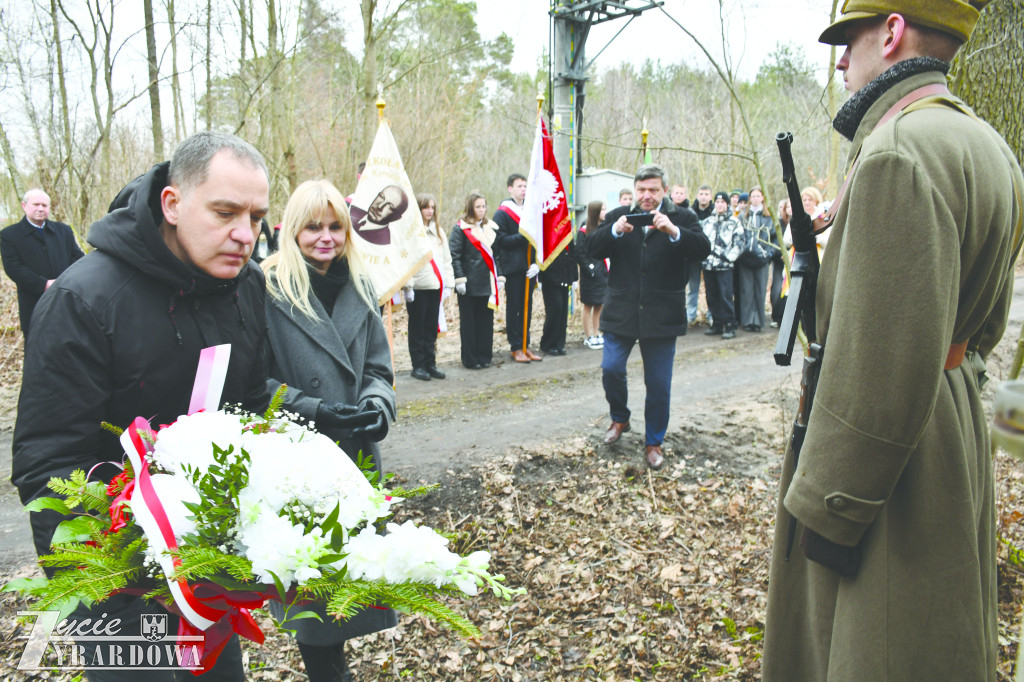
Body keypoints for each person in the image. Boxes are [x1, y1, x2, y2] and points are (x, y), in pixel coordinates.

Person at [763, 2, 1024, 680]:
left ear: (892, 30)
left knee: (879, 648)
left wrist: (827, 505)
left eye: (849, 40)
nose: (842, 60)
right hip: (949, 425)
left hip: (888, 466)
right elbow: (980, 325)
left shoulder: (898, 153)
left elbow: (878, 367)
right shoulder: (984, 143)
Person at [11, 131, 272, 681]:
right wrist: (125, 582)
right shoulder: (84, 299)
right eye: (226, 213)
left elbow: (249, 411)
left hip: (209, 570)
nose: (244, 235)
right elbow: (49, 467)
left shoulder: (246, 287)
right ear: (172, 204)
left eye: (256, 217)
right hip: (117, 579)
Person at [262, 179, 397, 681]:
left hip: (355, 459)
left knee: (348, 591)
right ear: (292, 229)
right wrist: (313, 409)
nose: (325, 236)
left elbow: (380, 370)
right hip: (298, 460)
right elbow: (254, 382)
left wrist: (375, 407)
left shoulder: (361, 285)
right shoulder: (267, 286)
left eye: (335, 225)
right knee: (315, 602)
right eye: (313, 226)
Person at [587, 164, 710, 469]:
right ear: (634, 189)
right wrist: (615, 231)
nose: (646, 196)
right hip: (621, 311)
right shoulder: (618, 216)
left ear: (664, 191)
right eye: (641, 190)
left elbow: (703, 249)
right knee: (611, 368)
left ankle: (653, 441)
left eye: (653, 190)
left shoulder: (683, 217)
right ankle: (620, 418)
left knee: (658, 384)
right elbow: (590, 246)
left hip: (661, 314)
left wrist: (673, 232)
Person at [0, 188, 85, 338]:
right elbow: (13, 267)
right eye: (36, 204)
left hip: (65, 298)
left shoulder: (63, 231)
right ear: (24, 206)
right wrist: (43, 284)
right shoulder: (9, 235)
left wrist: (67, 282)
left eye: (44, 205)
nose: (40, 209)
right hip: (32, 302)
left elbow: (77, 258)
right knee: (36, 346)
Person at [449, 192, 503, 369]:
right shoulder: (461, 229)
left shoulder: (491, 228)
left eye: (484, 206)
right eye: (478, 206)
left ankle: (484, 355)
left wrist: (500, 276)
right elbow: (455, 255)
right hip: (469, 283)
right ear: (470, 208)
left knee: (485, 322)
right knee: (469, 323)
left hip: (487, 283)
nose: (482, 210)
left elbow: (497, 255)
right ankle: (470, 359)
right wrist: (460, 279)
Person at [492, 173, 542, 363]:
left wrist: (537, 262)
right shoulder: (502, 213)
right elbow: (500, 241)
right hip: (512, 268)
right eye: (519, 186)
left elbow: (538, 239)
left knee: (527, 308)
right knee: (515, 309)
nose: (523, 189)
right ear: (510, 189)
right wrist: (523, 236)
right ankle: (515, 347)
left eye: (525, 186)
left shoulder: (530, 211)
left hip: (529, 267)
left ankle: (525, 344)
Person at [404, 194, 454, 381]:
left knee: (431, 328)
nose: (430, 211)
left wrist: (448, 283)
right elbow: (406, 260)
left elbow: (446, 259)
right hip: (418, 287)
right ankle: (418, 365)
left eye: (432, 207)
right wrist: (408, 286)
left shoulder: (439, 231)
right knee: (417, 328)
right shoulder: (411, 233)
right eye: (426, 207)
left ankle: (430, 363)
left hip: (436, 286)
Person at [701, 191, 744, 339]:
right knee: (711, 295)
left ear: (727, 204)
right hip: (708, 265)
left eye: (723, 202)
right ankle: (717, 324)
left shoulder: (734, 222)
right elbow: (701, 241)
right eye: (717, 202)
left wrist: (729, 258)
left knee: (725, 296)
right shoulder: (707, 222)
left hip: (724, 266)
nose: (720, 205)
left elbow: (739, 243)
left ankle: (730, 325)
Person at [735, 187, 774, 332]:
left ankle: (758, 321)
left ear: (763, 198)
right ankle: (747, 321)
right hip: (745, 259)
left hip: (762, 259)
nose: (756, 199)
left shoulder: (769, 217)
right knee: (746, 290)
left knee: (760, 290)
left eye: (758, 196)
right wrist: (741, 250)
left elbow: (775, 238)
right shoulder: (742, 216)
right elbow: (737, 236)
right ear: (750, 198)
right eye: (753, 196)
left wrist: (767, 253)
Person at [576, 200, 608, 349]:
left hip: (602, 273)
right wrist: (591, 269)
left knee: (599, 304)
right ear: (595, 212)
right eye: (602, 210)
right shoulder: (583, 231)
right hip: (590, 275)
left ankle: (597, 333)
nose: (605, 212)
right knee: (588, 305)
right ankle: (588, 336)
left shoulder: (603, 228)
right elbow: (580, 254)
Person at [538, 242, 577, 356]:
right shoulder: (548, 228)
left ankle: (559, 343)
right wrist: (540, 277)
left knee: (563, 310)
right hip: (550, 274)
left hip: (565, 273)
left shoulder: (566, 228)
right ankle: (548, 343)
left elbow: (572, 252)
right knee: (555, 308)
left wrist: (574, 276)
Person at [685, 185, 714, 325]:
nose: (703, 196)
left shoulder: (715, 212)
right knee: (692, 287)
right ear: (697, 195)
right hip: (694, 255)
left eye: (706, 194)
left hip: (712, 256)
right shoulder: (691, 213)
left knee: (711, 287)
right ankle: (690, 315)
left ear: (710, 196)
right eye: (701, 193)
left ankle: (711, 314)